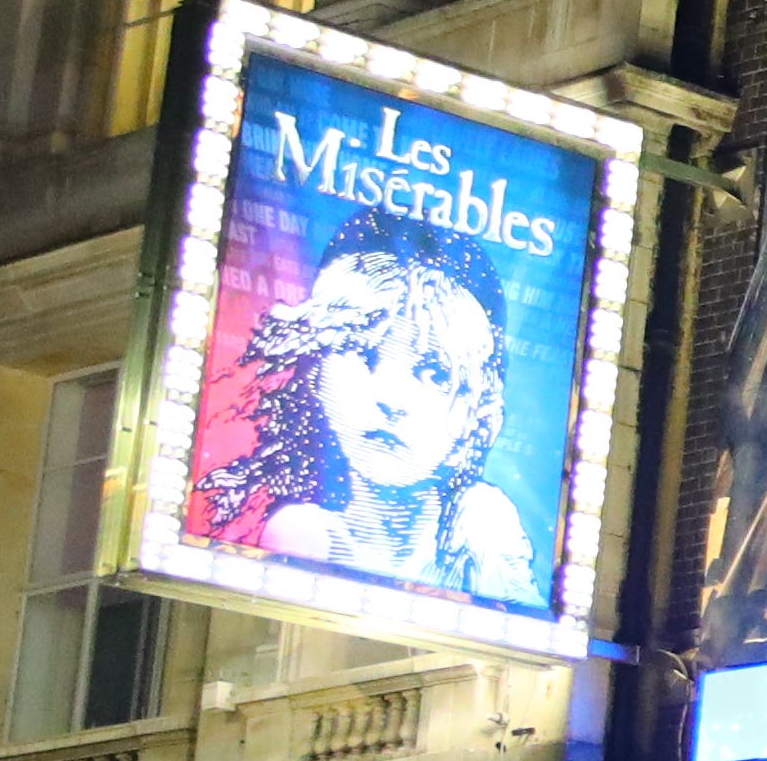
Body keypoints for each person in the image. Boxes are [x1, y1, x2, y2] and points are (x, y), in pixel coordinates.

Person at [203, 240, 544, 609]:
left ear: (476, 411)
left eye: (434, 373)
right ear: (316, 370)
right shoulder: (305, 533)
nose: (391, 398)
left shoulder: (484, 525)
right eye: (362, 353)